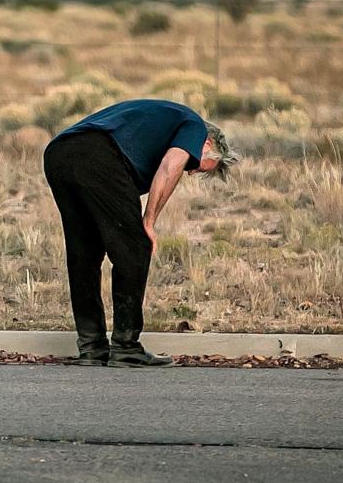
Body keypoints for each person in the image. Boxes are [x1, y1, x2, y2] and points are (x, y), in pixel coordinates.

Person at [43, 98, 238, 367]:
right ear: (207, 144)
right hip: (97, 154)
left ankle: (92, 348)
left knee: (84, 254)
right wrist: (149, 221)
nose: (191, 172)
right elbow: (170, 167)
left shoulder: (161, 123)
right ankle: (126, 348)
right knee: (136, 247)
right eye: (198, 165)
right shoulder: (194, 126)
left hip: (59, 154)